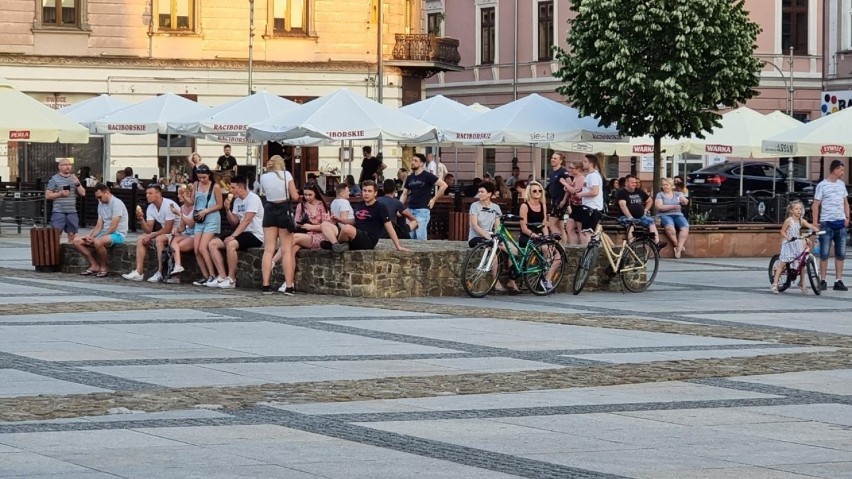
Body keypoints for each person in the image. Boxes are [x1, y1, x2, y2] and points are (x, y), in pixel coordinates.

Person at [320, 180, 410, 253]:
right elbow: (355, 221)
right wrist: (340, 219)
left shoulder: (380, 207)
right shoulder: (360, 204)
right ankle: (336, 245)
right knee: (325, 224)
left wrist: (398, 246)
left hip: (368, 239)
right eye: (364, 191)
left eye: (369, 191)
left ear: (375, 193)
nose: (366, 193)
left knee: (347, 229)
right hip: (355, 235)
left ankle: (334, 245)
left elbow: (389, 227)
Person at [207, 176, 264, 289]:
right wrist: (227, 209)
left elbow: (247, 220)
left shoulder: (253, 198)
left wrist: (233, 236)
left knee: (231, 244)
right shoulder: (237, 200)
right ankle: (222, 276)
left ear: (241, 188)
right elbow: (234, 222)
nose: (231, 190)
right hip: (241, 232)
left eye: (233, 187)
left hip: (255, 234)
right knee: (212, 244)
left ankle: (232, 279)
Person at [259, 155, 301, 295]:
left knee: (268, 249)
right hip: (284, 209)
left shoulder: (263, 177)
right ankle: (289, 286)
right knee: (286, 250)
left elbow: (266, 193)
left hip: (269, 209)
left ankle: (266, 285)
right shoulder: (286, 175)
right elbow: (294, 196)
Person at [468, 181, 519, 294]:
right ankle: (496, 282)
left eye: (482, 192)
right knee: (493, 252)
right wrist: (487, 235)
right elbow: (475, 225)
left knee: (514, 251)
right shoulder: (474, 206)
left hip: (492, 237)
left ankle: (512, 281)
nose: (479, 194)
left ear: (489, 194)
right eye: (479, 192)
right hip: (477, 237)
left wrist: (497, 236)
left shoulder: (495, 207)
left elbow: (498, 226)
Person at [121, 184, 178, 282]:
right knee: (141, 238)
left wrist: (152, 235)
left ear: (158, 194)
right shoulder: (151, 207)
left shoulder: (169, 204)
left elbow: (168, 228)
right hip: (166, 233)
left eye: (150, 193)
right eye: (146, 193)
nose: (147, 195)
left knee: (159, 239)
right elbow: (148, 230)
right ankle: (139, 272)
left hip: (177, 231)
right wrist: (141, 219)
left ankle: (160, 272)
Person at [73, 184, 128, 278]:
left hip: (118, 234)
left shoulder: (117, 204)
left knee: (98, 242)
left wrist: (98, 238)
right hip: (105, 232)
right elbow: (99, 225)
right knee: (77, 241)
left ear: (106, 193)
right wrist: (91, 236)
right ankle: (94, 265)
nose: (99, 199)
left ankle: (104, 267)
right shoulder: (101, 203)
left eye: (100, 197)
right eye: (97, 197)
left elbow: (113, 226)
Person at [812, 159, 850, 291]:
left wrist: (847, 217)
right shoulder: (822, 185)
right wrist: (815, 222)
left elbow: (845, 202)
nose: (842, 172)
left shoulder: (841, 185)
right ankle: (823, 280)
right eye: (841, 170)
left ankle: (838, 280)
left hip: (840, 223)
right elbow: (816, 205)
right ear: (834, 170)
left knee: (841, 254)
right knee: (824, 253)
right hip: (827, 223)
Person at [772, 200, 819, 293]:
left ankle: (803, 283)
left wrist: (816, 230)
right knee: (783, 263)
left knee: (802, 264)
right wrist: (788, 238)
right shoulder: (789, 221)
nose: (799, 211)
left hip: (797, 243)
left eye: (800, 209)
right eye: (796, 209)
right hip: (789, 244)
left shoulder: (801, 220)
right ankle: (775, 284)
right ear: (791, 211)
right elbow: (782, 231)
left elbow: (809, 225)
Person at [190, 164, 224, 287]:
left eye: (204, 177)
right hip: (199, 218)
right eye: (199, 177)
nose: (202, 180)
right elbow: (192, 202)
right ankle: (205, 275)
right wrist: (184, 196)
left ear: (208, 175)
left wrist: (207, 210)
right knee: (196, 249)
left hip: (211, 217)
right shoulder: (196, 185)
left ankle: (212, 274)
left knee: (203, 247)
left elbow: (220, 205)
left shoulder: (215, 186)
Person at [400, 153, 447, 240]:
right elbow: (404, 194)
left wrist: (434, 199)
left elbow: (444, 185)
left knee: (420, 237)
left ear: (421, 163)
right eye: (412, 160)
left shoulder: (427, 176)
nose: (413, 162)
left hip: (422, 210)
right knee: (409, 236)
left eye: (415, 161)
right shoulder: (410, 177)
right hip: (410, 210)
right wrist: (399, 206)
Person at [616, 175, 665, 248]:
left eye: (635, 182)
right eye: (632, 183)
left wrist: (645, 210)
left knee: (651, 222)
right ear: (626, 183)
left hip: (640, 217)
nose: (634, 184)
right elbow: (623, 206)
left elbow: (649, 200)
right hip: (625, 216)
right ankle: (632, 245)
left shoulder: (639, 191)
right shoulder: (622, 192)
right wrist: (630, 217)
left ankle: (657, 243)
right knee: (631, 224)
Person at [46, 158, 86, 242]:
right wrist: (60, 193)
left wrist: (78, 184)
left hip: (72, 211)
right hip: (58, 211)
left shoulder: (74, 178)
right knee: (56, 234)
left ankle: (69, 253)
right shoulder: (54, 179)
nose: (67, 167)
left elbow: (83, 193)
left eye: (69, 164)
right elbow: (48, 195)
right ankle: (56, 253)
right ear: (59, 167)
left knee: (72, 235)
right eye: (65, 165)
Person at [166, 184, 197, 282]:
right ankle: (176, 268)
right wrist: (176, 229)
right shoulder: (182, 207)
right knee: (171, 239)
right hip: (187, 233)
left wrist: (179, 214)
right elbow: (183, 227)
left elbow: (191, 224)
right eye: (179, 194)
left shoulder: (196, 207)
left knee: (175, 246)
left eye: (182, 194)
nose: (179, 196)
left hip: (196, 234)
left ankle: (176, 271)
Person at [291, 183, 332, 253]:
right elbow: (296, 221)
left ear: (315, 194)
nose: (307, 197)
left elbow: (327, 226)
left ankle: (272, 261)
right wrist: (300, 225)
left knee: (291, 239)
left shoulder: (322, 206)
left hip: (319, 236)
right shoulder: (301, 206)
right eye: (305, 195)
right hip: (304, 234)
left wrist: (311, 227)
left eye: (310, 195)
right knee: (292, 249)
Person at [574, 153, 606, 245]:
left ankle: (588, 254)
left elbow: (595, 192)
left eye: (585, 161)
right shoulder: (590, 175)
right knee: (596, 232)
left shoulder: (593, 176)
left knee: (587, 232)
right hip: (589, 207)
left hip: (591, 208)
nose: (583, 163)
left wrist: (581, 194)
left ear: (591, 164)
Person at [655, 178, 690, 258]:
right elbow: (660, 207)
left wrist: (684, 200)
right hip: (664, 214)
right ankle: (677, 244)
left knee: (685, 226)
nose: (665, 187)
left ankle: (678, 248)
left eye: (667, 185)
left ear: (672, 186)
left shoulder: (678, 194)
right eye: (663, 185)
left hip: (677, 214)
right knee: (669, 226)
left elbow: (685, 201)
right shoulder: (660, 195)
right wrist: (674, 206)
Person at [560, 160, 586, 245]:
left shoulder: (581, 178)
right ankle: (573, 246)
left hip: (579, 206)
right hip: (574, 206)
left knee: (580, 229)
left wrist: (565, 184)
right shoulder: (575, 177)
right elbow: (571, 189)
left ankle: (582, 248)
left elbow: (575, 191)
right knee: (569, 227)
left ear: (578, 169)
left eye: (571, 168)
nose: (570, 170)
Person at [546, 152, 571, 240]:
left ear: (560, 160)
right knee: (560, 225)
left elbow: (569, 185)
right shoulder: (552, 172)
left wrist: (564, 201)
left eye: (555, 158)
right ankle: (564, 245)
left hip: (560, 201)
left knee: (551, 224)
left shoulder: (563, 171)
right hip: (554, 200)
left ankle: (558, 244)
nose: (552, 159)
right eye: (552, 158)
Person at [518, 180, 548, 248]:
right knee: (544, 248)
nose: (538, 192)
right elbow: (524, 229)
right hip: (527, 236)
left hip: (540, 235)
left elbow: (544, 225)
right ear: (529, 193)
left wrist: (546, 237)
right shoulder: (524, 206)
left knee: (552, 247)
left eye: (540, 190)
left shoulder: (543, 205)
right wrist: (537, 237)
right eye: (534, 191)